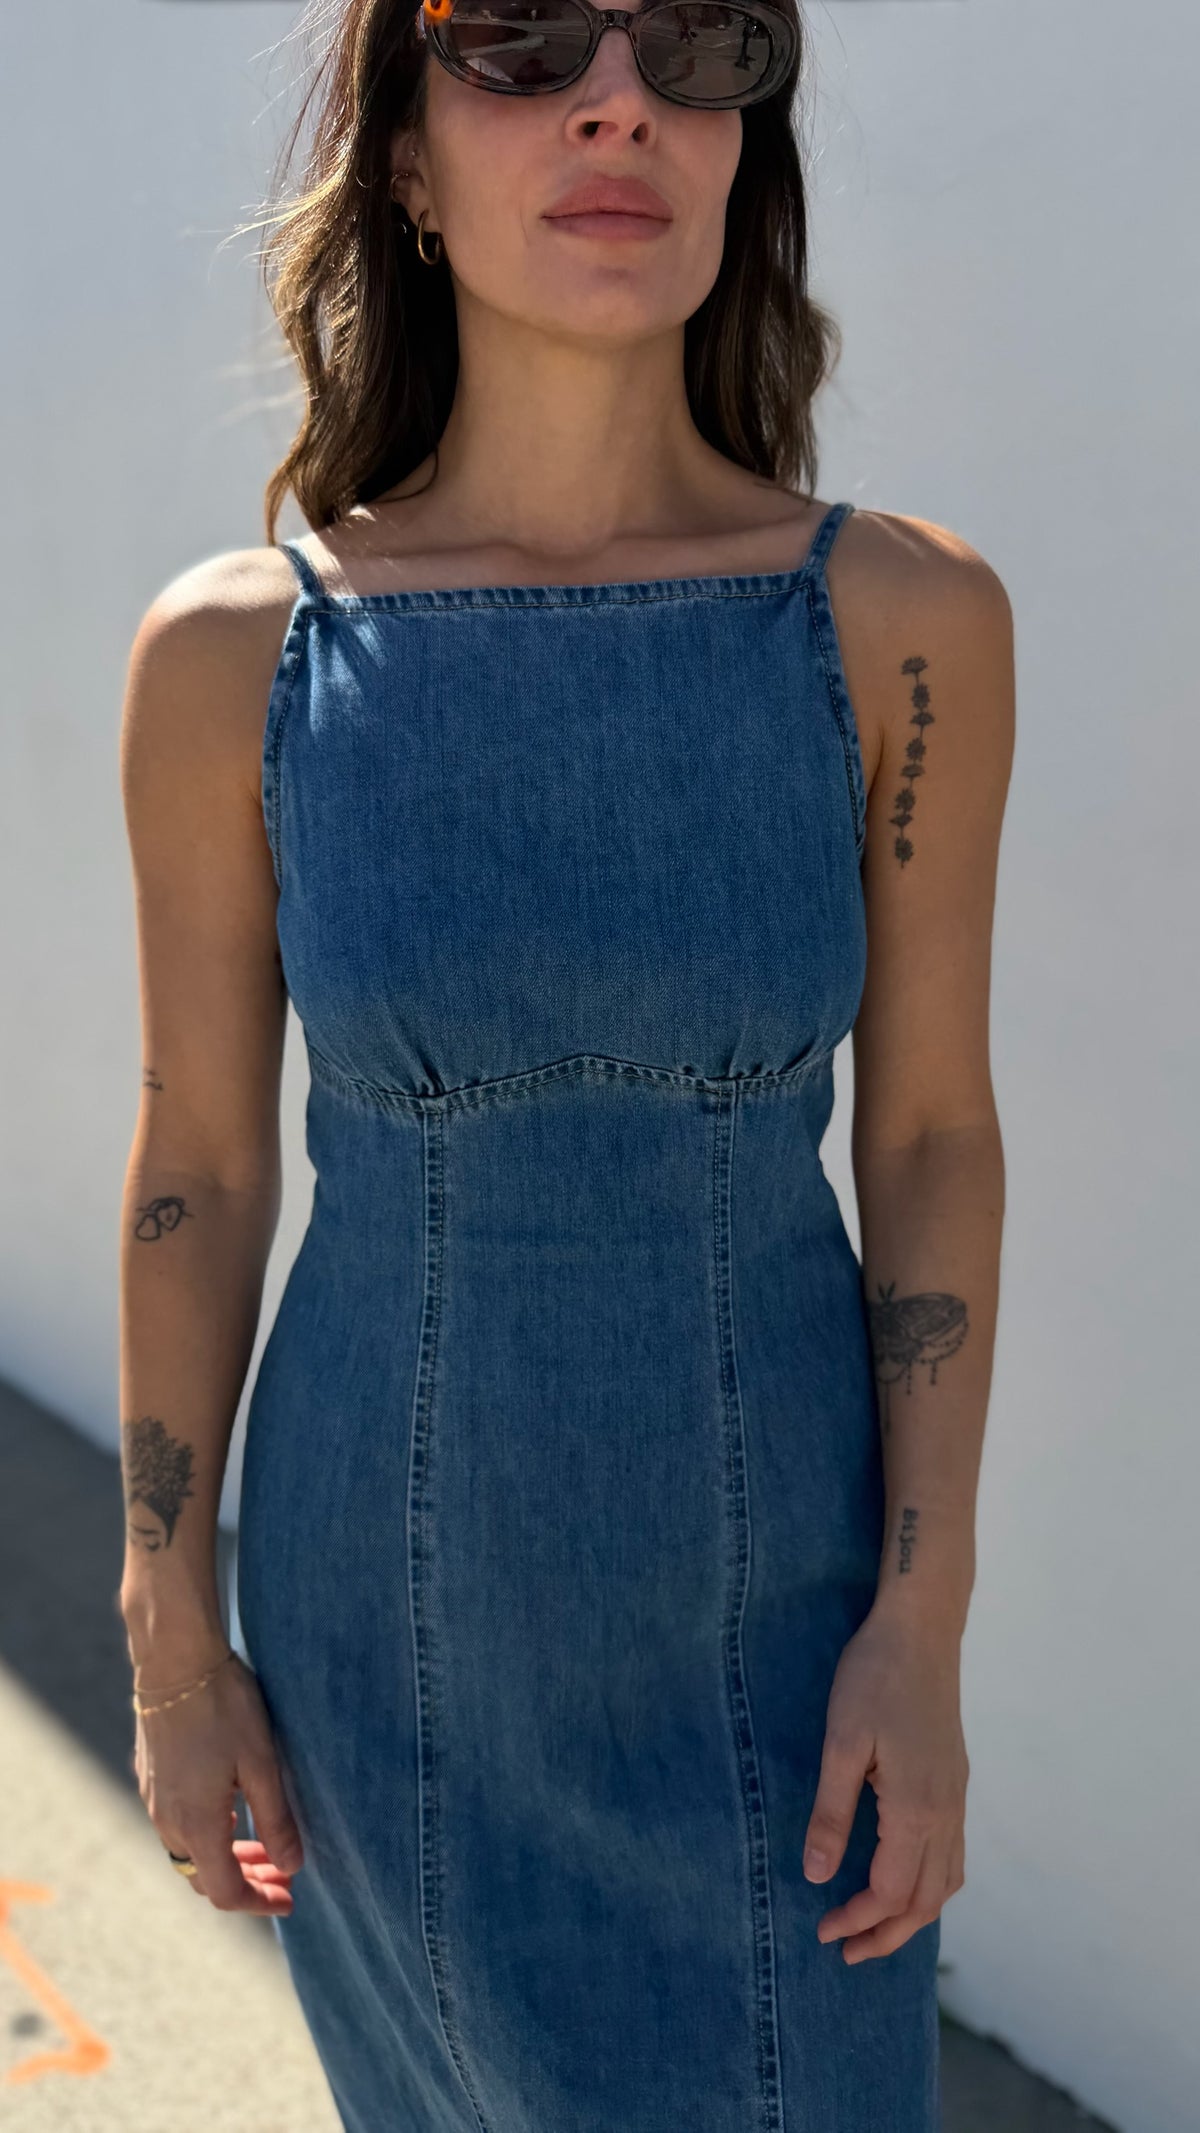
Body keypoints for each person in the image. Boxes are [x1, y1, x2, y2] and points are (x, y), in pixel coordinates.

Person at [116, 0, 1014, 2125]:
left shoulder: (897, 620)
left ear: (739, 144)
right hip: (383, 1625)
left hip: (788, 1649)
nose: (620, 94)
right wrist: (171, 1631)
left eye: (699, 38)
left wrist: (924, 1621)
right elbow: (202, 1171)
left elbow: (933, 1133)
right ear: (406, 163)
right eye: (516, 38)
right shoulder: (241, 656)